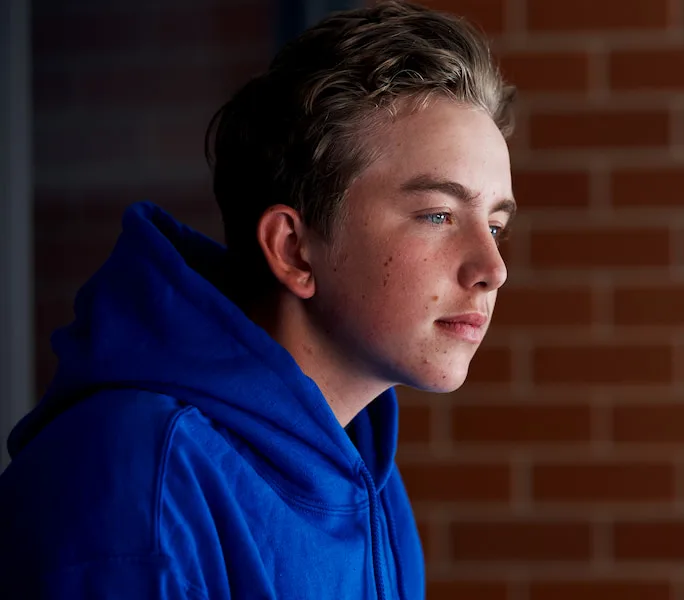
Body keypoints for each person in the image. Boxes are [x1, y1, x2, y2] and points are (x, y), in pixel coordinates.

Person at [0, 1, 516, 597]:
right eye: (437, 214)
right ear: (295, 250)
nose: (492, 268)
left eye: (496, 225)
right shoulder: (137, 486)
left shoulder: (367, 477)